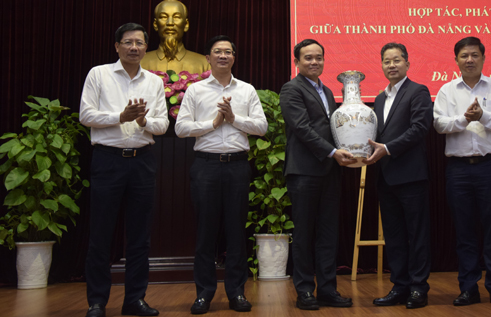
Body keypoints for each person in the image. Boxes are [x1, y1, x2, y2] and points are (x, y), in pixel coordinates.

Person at [80, 23, 169, 317]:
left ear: (146, 48)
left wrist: (143, 122)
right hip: (108, 160)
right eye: (128, 42)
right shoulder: (99, 74)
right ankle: (96, 302)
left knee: (140, 235)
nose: (134, 47)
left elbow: (162, 124)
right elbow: (86, 115)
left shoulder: (154, 82)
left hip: (142, 161)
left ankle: (135, 299)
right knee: (101, 233)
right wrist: (121, 116)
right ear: (116, 46)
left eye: (140, 43)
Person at [175, 35, 267, 314]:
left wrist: (233, 119)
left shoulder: (247, 90)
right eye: (218, 51)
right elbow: (181, 128)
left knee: (237, 231)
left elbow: (261, 127)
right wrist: (213, 123)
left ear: (234, 58)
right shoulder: (195, 90)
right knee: (205, 232)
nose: (223, 56)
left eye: (228, 52)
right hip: (206, 166)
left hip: (238, 166)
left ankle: (237, 293)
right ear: (208, 57)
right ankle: (203, 294)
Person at [433, 37, 491, 307]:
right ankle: (468, 288)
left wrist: (484, 116)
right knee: (464, 231)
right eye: (464, 55)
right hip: (458, 170)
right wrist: (465, 119)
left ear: (483, 58)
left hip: (490, 166)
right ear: (456, 60)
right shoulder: (447, 90)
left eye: (474, 55)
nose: (469, 60)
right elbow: (439, 124)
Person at [279, 39, 356, 310]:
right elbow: (301, 128)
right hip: (303, 171)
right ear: (297, 62)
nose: (314, 62)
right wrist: (333, 152)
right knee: (303, 234)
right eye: (308, 58)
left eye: (319, 57)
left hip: (329, 171)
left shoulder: (329, 92)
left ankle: (327, 289)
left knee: (327, 232)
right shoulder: (291, 89)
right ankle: (304, 291)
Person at [363, 42, 433, 309]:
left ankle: (418, 288)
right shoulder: (380, 98)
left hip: (412, 177)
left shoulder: (418, 91)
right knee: (393, 236)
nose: (391, 65)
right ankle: (400, 286)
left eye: (397, 60)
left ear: (407, 63)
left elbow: (419, 128)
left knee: (417, 235)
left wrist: (387, 149)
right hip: (386, 177)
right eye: (387, 61)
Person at [141, 0, 211, 74]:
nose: (170, 23)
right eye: (164, 17)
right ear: (155, 24)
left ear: (186, 25)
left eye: (177, 17)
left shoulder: (205, 65)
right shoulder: (140, 63)